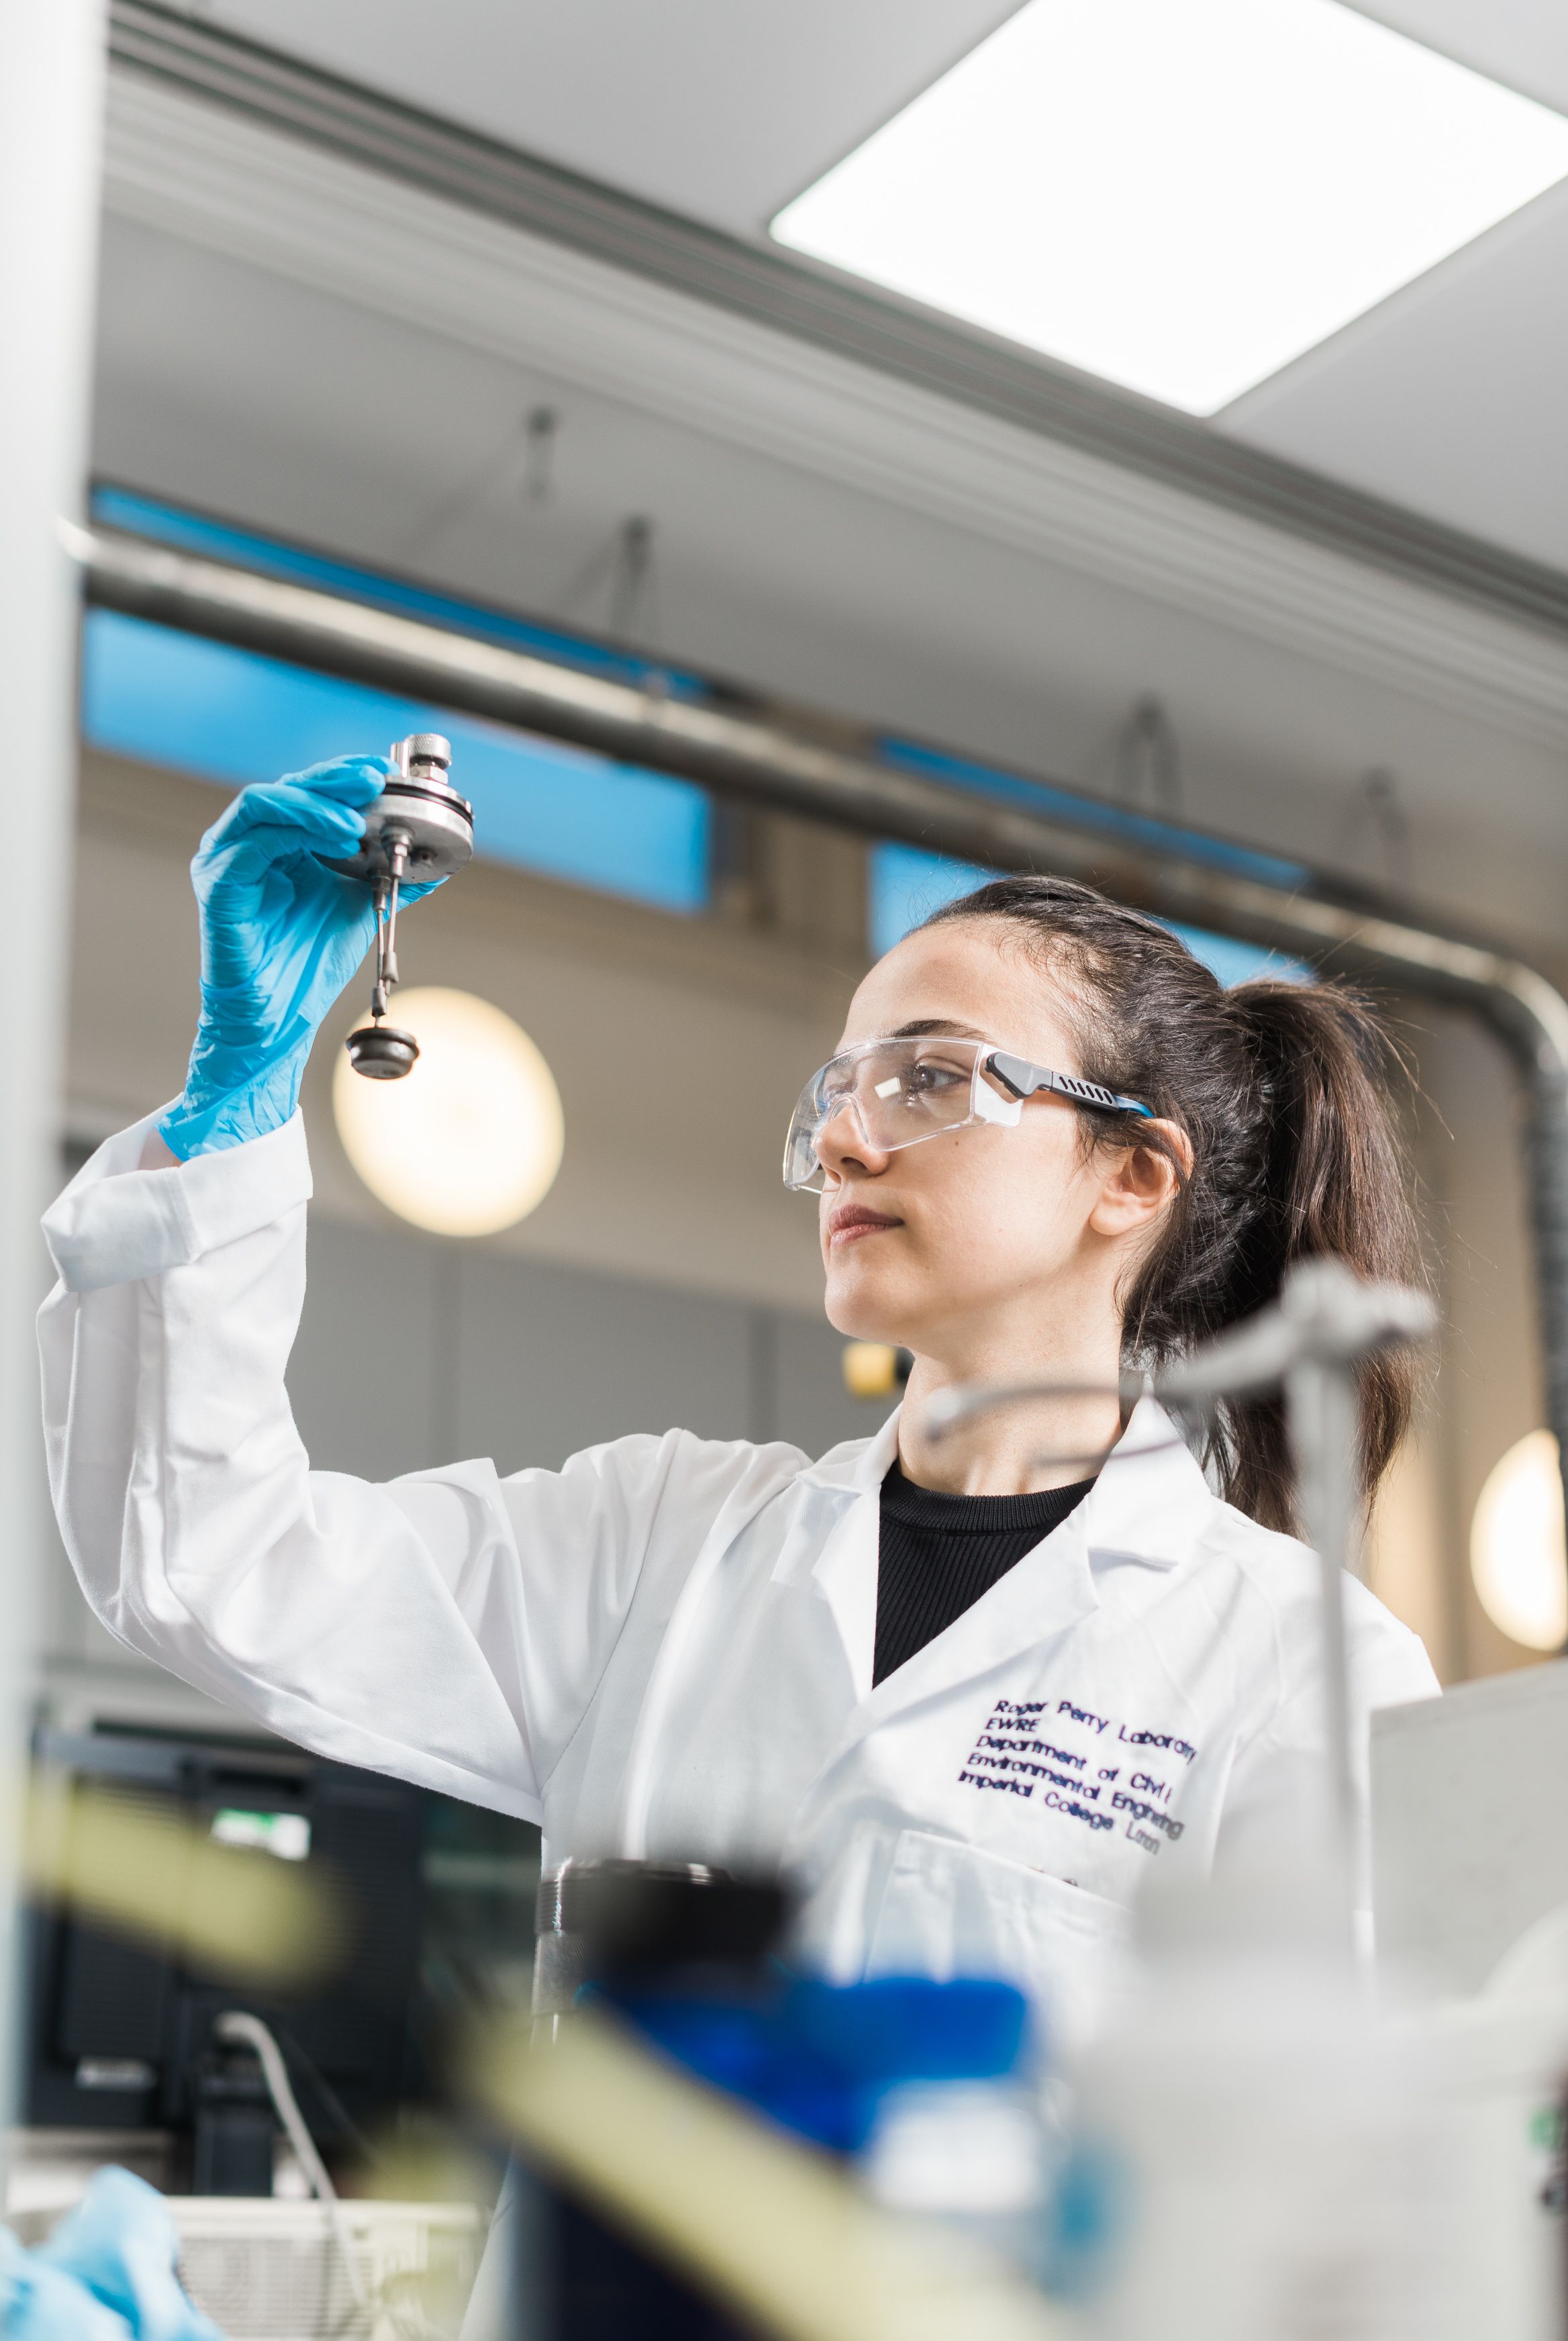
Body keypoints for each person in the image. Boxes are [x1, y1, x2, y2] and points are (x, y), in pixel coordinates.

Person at [40, 754, 1438, 2052]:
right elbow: (210, 1567)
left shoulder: (1298, 1674)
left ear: (1132, 1177)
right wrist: (231, 1110)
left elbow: (1323, 2216)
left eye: (931, 1078)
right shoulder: (664, 1541)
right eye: (839, 1086)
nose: (841, 1133)